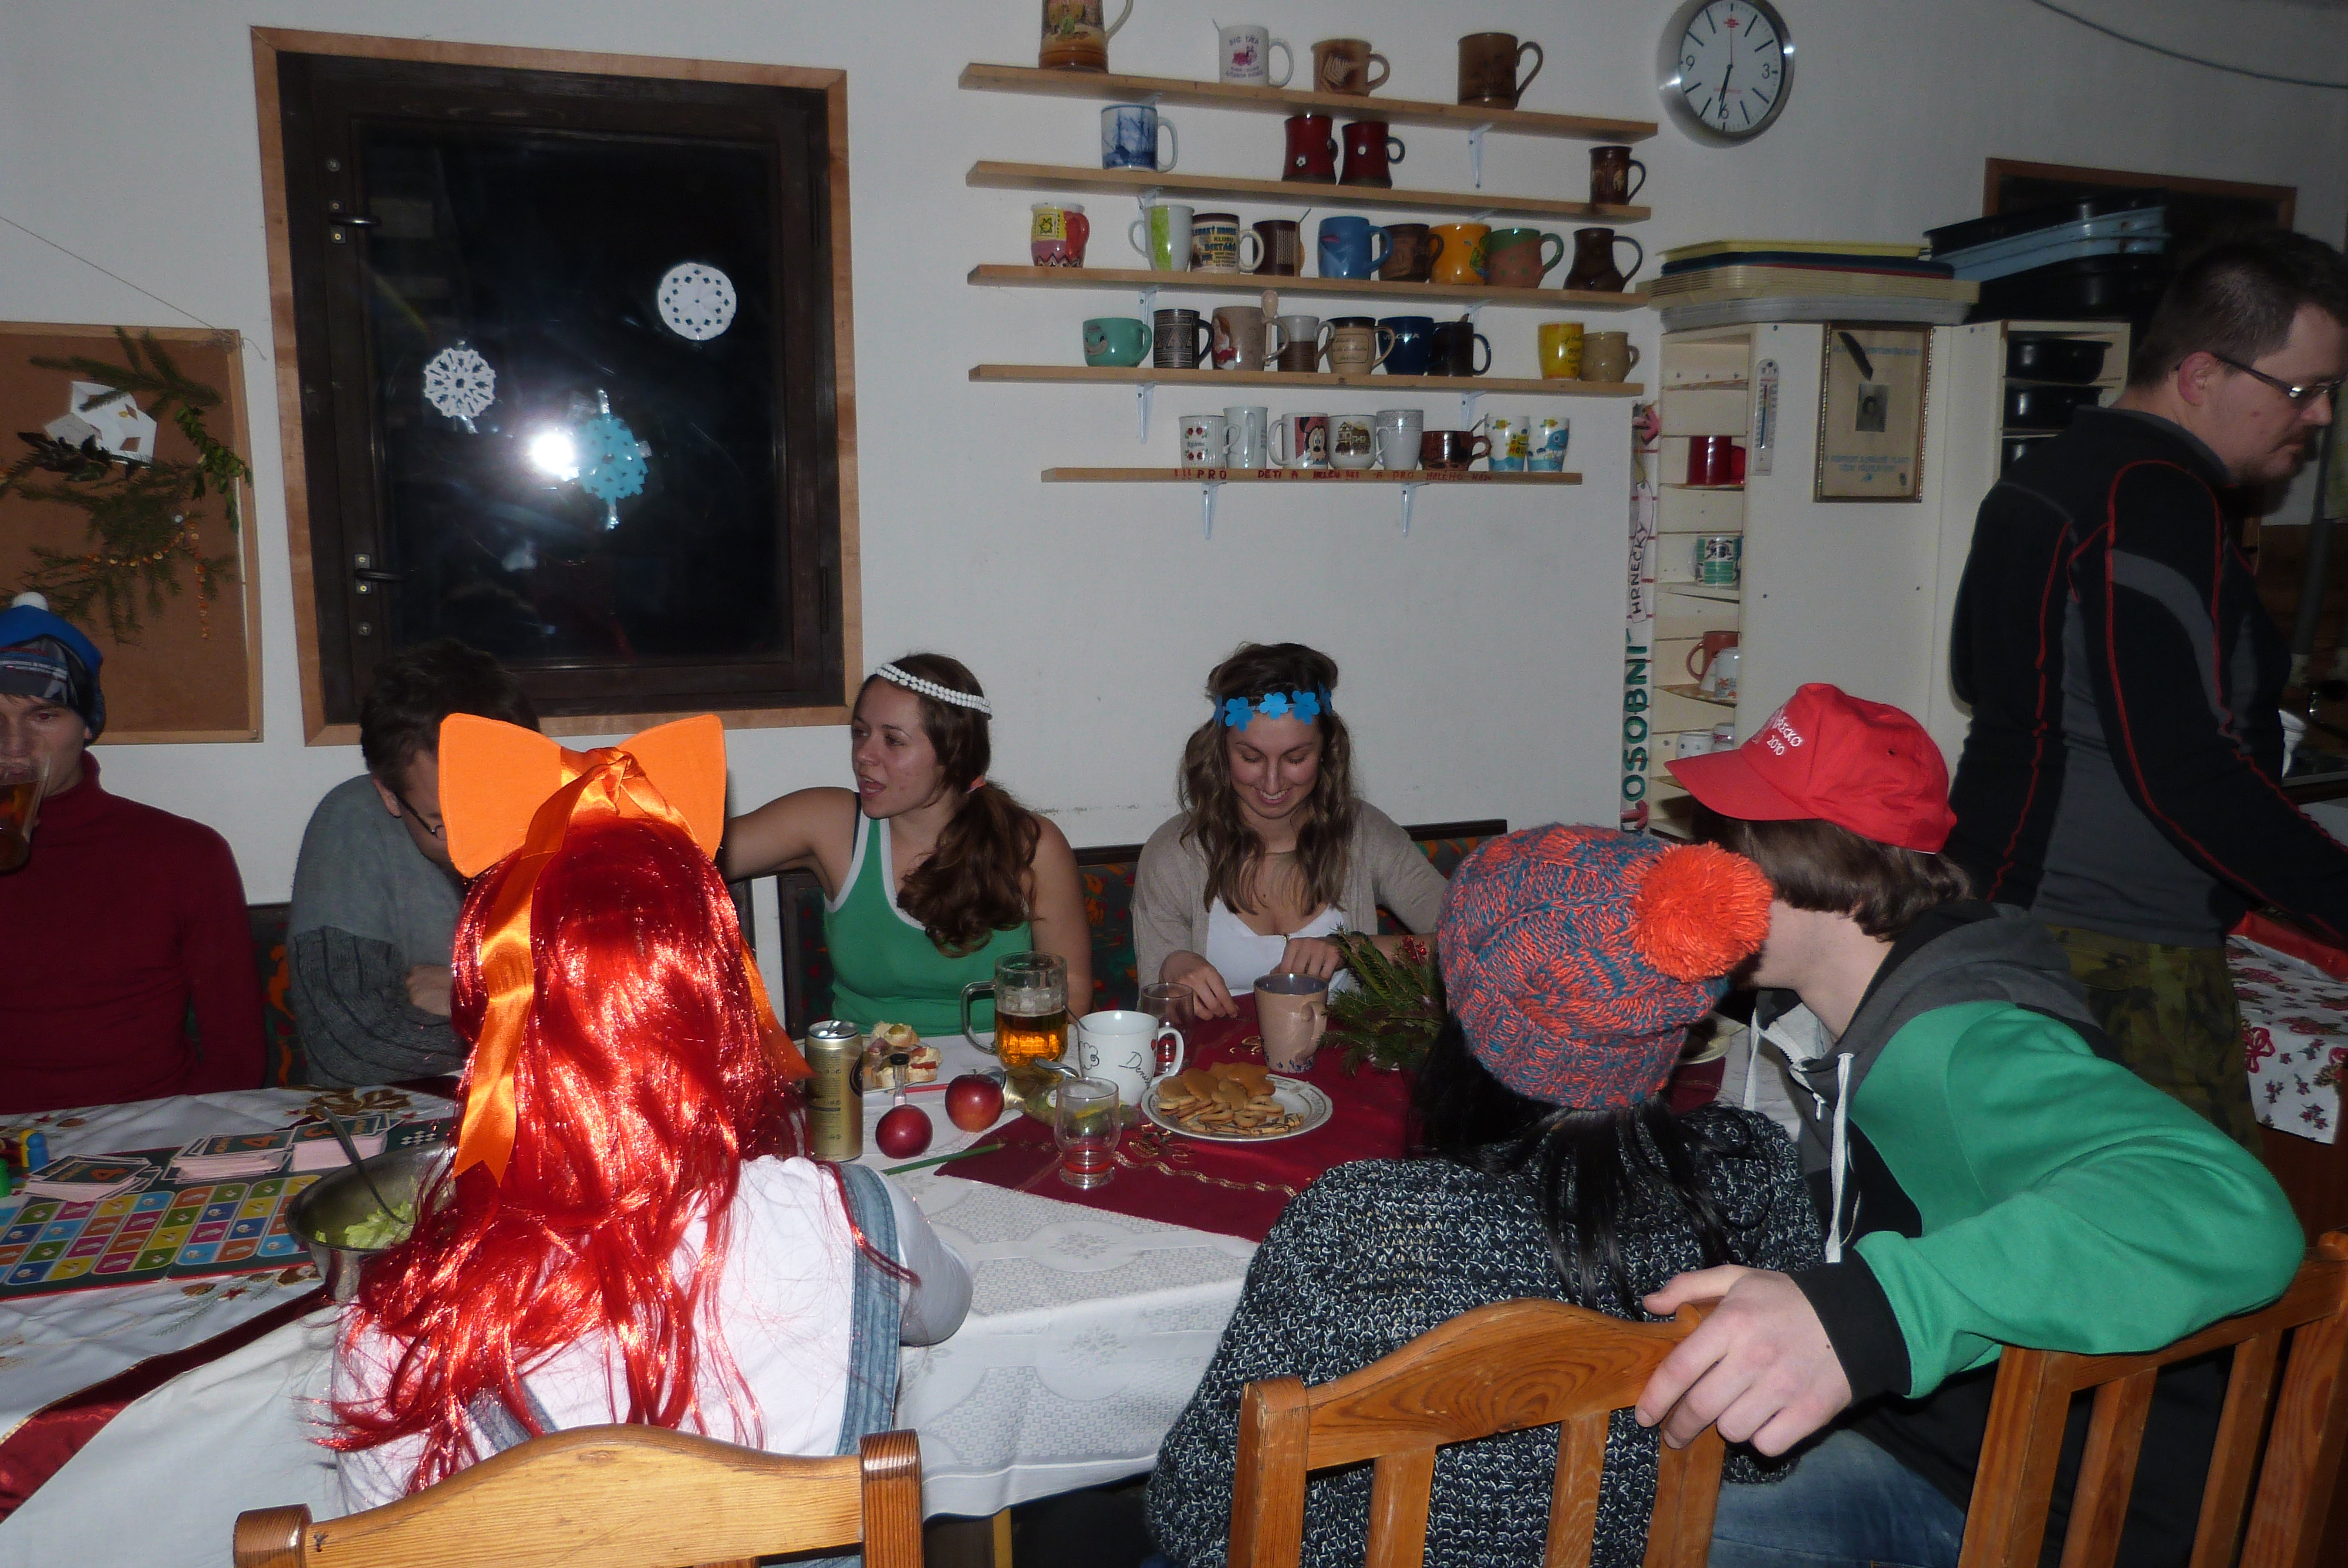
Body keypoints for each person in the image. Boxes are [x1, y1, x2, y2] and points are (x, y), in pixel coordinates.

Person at [1636, 683, 2305, 1568]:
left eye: (1726, 845)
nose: (1697, 871)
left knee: (1611, 1525)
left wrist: (1877, 1312)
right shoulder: (1841, 1015)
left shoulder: (1964, 1044)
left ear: (1820, 866)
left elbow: (2230, 1210)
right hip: (1936, 1439)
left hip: (2025, 1503)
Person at [329, 712, 969, 1506]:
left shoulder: (395, 1341)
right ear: (727, 1003)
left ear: (492, 1022)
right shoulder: (855, 1221)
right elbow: (944, 1309)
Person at [1145, 824, 1819, 1568]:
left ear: (1462, 1009)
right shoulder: (1752, 1171)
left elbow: (1199, 1514)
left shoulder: (1364, 1223)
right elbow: (1765, 1455)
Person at [1946, 229, 2348, 1150]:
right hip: (2113, 948)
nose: (2321, 416)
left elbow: (1979, 677)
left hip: (1996, 910)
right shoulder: (2156, 501)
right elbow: (2187, 771)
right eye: (2303, 390)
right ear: (2201, 375)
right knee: (2199, 1221)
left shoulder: (2046, 476)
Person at [723, 654, 1089, 1032]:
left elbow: (1072, 990)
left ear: (954, 754)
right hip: (866, 1064)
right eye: (860, 732)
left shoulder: (1031, 846)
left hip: (998, 1060)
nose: (864, 755)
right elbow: (691, 855)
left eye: (893, 740)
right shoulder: (827, 822)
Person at [0, 594, 264, 1111]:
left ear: (87, 724)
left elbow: (237, 1055)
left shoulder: (184, 855)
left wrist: (186, 1141)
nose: (15, 746)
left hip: (145, 1128)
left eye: (44, 715)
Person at [1133, 643, 1446, 1019]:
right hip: (1215, 1057)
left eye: (1296, 758)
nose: (1272, 782)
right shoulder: (1175, 853)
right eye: (1251, 757)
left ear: (1327, 751)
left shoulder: (1365, 836)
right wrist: (1172, 968)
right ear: (1220, 751)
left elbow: (1473, 942)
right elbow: (1153, 1021)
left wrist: (1355, 950)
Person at [288, 639, 538, 1086]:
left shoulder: (586, 816)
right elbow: (348, 1049)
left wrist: (472, 999)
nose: (481, 841)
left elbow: (635, 1014)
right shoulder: (352, 823)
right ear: (389, 796)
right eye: (445, 823)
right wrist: (534, 1018)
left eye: (498, 807)